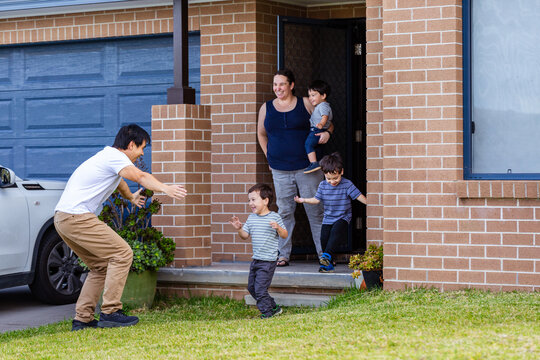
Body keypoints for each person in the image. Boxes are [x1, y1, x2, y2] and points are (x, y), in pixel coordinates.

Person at [54, 124, 188, 331]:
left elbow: (119, 182)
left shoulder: (108, 159)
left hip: (64, 218)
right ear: (131, 144)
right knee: (123, 253)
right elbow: (140, 176)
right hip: (77, 217)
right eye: (142, 147)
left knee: (100, 267)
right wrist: (166, 188)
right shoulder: (114, 157)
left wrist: (131, 197)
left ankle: (83, 319)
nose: (142, 153)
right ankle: (110, 312)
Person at [257, 69, 334, 267]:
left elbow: (328, 124)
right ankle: (283, 255)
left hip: (307, 169)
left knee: (315, 211)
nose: (278, 88)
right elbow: (261, 134)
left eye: (282, 84)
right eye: (275, 84)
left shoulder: (306, 103)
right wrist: (269, 156)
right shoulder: (266, 108)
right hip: (280, 169)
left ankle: (324, 255)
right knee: (284, 212)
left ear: (291, 85)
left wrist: (328, 134)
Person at [294, 152, 367, 273]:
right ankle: (327, 265)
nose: (332, 181)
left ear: (341, 172)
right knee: (323, 238)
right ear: (324, 175)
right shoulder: (323, 185)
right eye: (329, 178)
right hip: (328, 217)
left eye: (335, 178)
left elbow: (358, 196)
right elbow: (316, 200)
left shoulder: (347, 184)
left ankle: (326, 257)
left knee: (335, 232)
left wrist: (372, 203)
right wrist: (303, 200)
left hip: (343, 217)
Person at [229, 183, 288, 319]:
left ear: (265, 200)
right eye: (249, 200)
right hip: (256, 260)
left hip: (268, 261)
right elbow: (245, 236)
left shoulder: (274, 217)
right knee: (252, 288)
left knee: (260, 289)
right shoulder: (251, 218)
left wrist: (278, 228)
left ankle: (267, 313)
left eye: (253, 199)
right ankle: (273, 307)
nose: (250, 203)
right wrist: (239, 228)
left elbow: (284, 234)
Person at [304, 80, 333, 174]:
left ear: (323, 96)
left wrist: (321, 124)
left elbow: (325, 116)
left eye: (313, 95)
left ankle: (313, 163)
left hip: (317, 129)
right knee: (311, 145)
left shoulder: (323, 106)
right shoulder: (319, 106)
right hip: (316, 128)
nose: (310, 98)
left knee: (308, 144)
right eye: (309, 95)